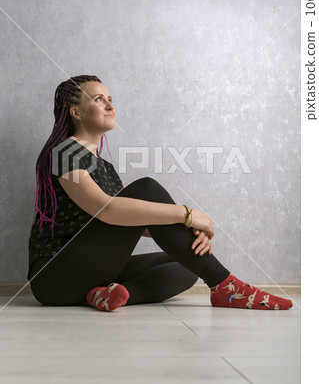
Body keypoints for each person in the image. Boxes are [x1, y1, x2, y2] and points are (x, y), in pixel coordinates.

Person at [27, 75, 293, 312]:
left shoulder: (104, 166)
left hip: (92, 272)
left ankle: (111, 296)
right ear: (76, 112)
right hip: (56, 276)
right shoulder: (64, 152)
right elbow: (106, 211)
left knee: (187, 264)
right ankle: (226, 285)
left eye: (110, 99)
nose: (110, 106)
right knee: (146, 189)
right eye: (99, 99)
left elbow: (138, 223)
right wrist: (186, 215)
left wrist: (187, 236)